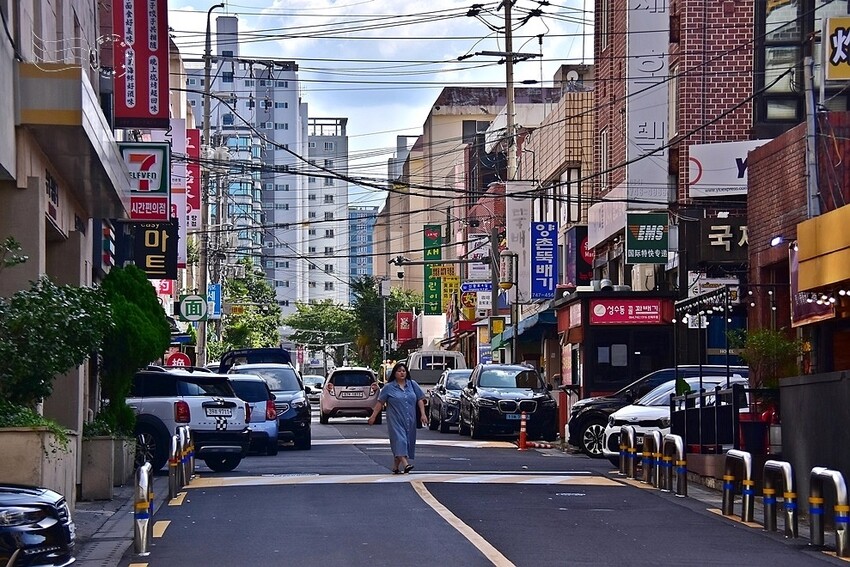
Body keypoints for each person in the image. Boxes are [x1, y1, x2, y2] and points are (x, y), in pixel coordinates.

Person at [368, 361, 428, 474]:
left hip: (410, 419)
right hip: (395, 420)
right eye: (399, 371)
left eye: (404, 371)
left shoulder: (412, 384)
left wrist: (423, 414)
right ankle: (406, 464)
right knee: (400, 440)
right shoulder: (388, 387)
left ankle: (395, 466)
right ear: (394, 373)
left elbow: (420, 399)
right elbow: (380, 403)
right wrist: (373, 416)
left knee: (407, 441)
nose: (402, 373)